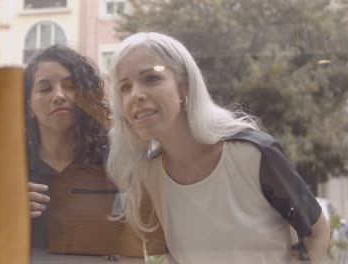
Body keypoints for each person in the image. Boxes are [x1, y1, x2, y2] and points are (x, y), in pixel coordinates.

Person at [106, 32, 331, 264]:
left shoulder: (254, 154)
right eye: (125, 87)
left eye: (151, 78)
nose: (136, 95)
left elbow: (317, 233)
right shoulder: (149, 175)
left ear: (184, 87)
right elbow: (173, 255)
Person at [24, 44, 165, 258]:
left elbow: (145, 246)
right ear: (28, 107)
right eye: (45, 89)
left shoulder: (118, 159)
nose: (59, 95)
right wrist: (5, 213)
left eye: (71, 86)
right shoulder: (10, 166)